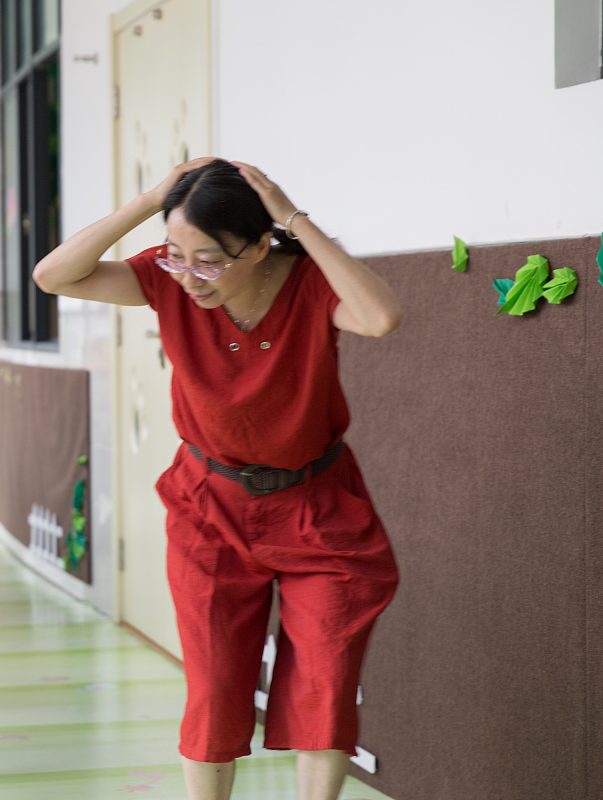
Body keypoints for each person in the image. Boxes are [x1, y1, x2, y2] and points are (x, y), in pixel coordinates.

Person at [32, 158, 402, 800]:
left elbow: (379, 317)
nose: (191, 277)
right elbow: (53, 275)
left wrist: (293, 218)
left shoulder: (311, 286)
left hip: (318, 507)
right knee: (214, 692)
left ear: (261, 247)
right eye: (177, 255)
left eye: (209, 261)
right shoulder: (168, 281)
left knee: (326, 682)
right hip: (209, 507)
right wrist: (154, 201)